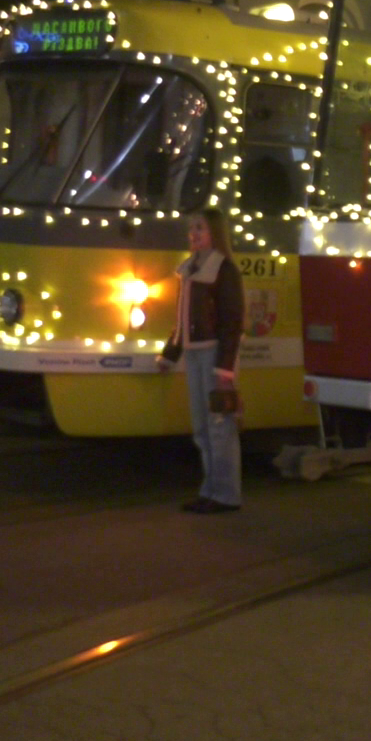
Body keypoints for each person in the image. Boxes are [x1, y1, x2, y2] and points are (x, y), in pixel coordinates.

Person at [158, 207, 246, 513]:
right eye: (192, 228)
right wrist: (170, 354)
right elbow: (182, 321)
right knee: (202, 427)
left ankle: (226, 495)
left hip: (213, 356)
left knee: (219, 426)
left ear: (215, 234)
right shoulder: (190, 269)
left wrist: (225, 369)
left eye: (201, 228)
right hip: (196, 355)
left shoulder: (223, 270)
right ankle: (210, 490)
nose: (194, 233)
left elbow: (232, 323)